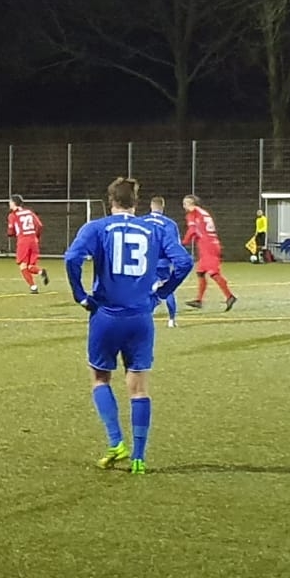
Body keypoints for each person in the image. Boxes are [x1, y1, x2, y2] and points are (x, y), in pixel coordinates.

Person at [65, 177, 193, 476]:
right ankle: (139, 457)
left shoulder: (97, 228)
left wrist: (80, 296)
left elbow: (72, 258)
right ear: (136, 202)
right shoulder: (154, 229)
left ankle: (115, 443)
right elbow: (184, 262)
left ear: (110, 201)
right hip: (140, 318)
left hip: (105, 316)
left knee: (100, 378)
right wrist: (161, 294)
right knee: (139, 388)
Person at [181, 195, 238, 311]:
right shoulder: (204, 212)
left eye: (185, 203)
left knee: (214, 273)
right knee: (200, 272)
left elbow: (192, 230)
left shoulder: (192, 214)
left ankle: (229, 296)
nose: (184, 206)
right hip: (212, 243)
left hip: (207, 246)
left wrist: (183, 243)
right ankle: (199, 300)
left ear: (190, 203)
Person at [140, 196, 181, 327]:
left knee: (144, 290)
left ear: (151, 206)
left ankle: (144, 316)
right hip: (162, 263)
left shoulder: (141, 221)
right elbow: (175, 245)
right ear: (162, 207)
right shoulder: (170, 224)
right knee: (168, 289)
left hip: (145, 262)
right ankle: (171, 319)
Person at [7, 194, 49, 293]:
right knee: (30, 266)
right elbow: (39, 225)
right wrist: (36, 237)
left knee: (23, 266)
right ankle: (40, 271)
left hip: (23, 241)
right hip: (33, 240)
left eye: (10, 202)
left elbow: (10, 231)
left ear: (14, 203)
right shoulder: (29, 212)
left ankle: (33, 287)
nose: (9, 204)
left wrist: (11, 234)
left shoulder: (13, 215)